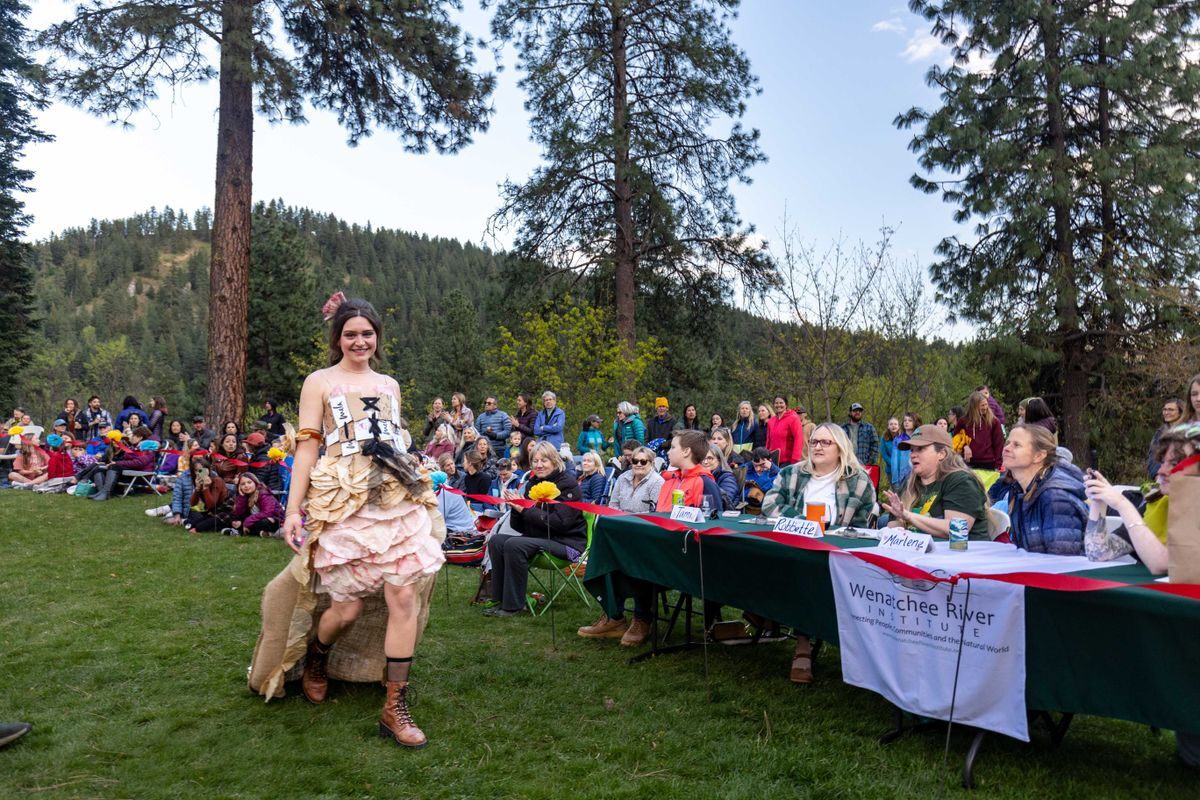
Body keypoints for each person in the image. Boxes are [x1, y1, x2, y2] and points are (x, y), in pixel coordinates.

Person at [257, 295, 444, 749]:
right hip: (343, 499)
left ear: (377, 337)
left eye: (366, 333)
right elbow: (306, 448)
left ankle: (394, 705)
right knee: (348, 608)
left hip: (395, 495)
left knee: (404, 598)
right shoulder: (318, 382)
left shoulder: (390, 384)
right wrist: (292, 509)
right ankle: (318, 656)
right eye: (350, 334)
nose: (359, 341)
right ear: (337, 338)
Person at [763, 422, 875, 683]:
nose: (817, 446)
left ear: (840, 448)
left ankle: (801, 642)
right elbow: (770, 503)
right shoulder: (792, 473)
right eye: (814, 441)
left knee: (809, 570)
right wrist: (801, 520)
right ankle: (767, 614)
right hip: (791, 547)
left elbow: (865, 525)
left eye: (826, 442)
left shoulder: (858, 480)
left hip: (835, 552)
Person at [485, 441, 586, 617]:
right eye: (535, 461)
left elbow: (560, 523)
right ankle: (500, 599)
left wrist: (525, 510)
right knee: (497, 540)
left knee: (514, 544)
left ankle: (514, 606)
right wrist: (516, 509)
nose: (539, 465)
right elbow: (519, 526)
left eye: (544, 460)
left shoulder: (568, 485)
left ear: (554, 461)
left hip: (569, 547)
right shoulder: (532, 484)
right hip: (540, 539)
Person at [577, 445, 664, 643]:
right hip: (620, 534)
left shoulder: (657, 482)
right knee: (606, 562)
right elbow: (613, 506)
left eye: (644, 461)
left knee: (640, 566)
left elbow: (655, 514)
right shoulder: (622, 479)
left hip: (644, 537)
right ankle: (613, 616)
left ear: (651, 464)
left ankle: (642, 619)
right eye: (635, 461)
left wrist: (628, 519)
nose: (639, 465)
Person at [987, 424, 1087, 555]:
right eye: (1008, 443)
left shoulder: (1055, 497)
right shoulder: (1018, 491)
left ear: (1039, 456)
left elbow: (1062, 561)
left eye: (1016, 445)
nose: (1006, 448)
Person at [881, 424, 989, 540]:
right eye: (912, 450)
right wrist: (897, 529)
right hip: (921, 555)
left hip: (964, 555)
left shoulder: (961, 481)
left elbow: (956, 531)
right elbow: (894, 526)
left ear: (941, 454)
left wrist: (908, 516)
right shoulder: (909, 483)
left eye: (920, 449)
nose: (912, 455)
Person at [655, 430, 723, 515]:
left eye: (673, 447)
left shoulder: (705, 482)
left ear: (686, 451)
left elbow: (715, 520)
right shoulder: (670, 480)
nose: (668, 452)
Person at [90, 425, 157, 501]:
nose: (131, 437)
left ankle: (106, 493)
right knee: (99, 469)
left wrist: (117, 463)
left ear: (140, 437)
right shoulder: (134, 447)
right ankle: (101, 492)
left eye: (134, 436)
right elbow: (127, 460)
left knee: (114, 467)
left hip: (141, 476)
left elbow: (139, 463)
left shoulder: (147, 448)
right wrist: (114, 463)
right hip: (132, 472)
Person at [957, 390, 1005, 474]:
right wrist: (965, 446)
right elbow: (956, 439)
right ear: (974, 407)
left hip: (988, 463)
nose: (985, 407)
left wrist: (998, 464)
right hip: (967, 463)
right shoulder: (963, 421)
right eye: (982, 405)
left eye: (986, 404)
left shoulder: (993, 421)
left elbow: (998, 444)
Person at [184, 456, 233, 531]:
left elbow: (212, 504)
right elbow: (192, 503)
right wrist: (197, 489)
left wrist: (205, 488)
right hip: (213, 512)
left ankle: (225, 527)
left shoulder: (217, 480)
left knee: (199, 527)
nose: (200, 472)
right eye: (196, 470)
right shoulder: (198, 480)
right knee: (190, 524)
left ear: (208, 469)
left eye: (202, 470)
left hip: (225, 511)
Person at [230, 472, 284, 537]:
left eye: (249, 482)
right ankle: (262, 533)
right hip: (256, 518)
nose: (246, 486)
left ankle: (239, 531)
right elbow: (239, 513)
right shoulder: (245, 496)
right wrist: (242, 497)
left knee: (264, 522)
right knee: (235, 520)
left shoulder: (264, 494)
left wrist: (247, 521)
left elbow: (267, 512)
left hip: (274, 520)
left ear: (255, 482)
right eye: (243, 484)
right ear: (239, 487)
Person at [1149, 398, 1185, 479]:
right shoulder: (1160, 433)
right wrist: (1157, 475)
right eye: (1164, 409)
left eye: (1171, 410)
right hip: (1163, 478)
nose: (1166, 412)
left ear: (1180, 412)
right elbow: (1153, 458)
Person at [766, 395, 805, 467]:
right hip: (773, 460)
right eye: (776, 403)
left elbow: (798, 439)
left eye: (781, 403)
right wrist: (766, 455)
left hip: (788, 461)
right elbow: (769, 441)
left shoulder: (793, 418)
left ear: (786, 404)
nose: (778, 405)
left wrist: (795, 459)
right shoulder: (771, 421)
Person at [841, 403, 879, 473]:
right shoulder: (842, 428)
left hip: (863, 465)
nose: (857, 412)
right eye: (855, 411)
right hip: (846, 464)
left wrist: (870, 462)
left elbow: (875, 445)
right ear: (850, 413)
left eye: (859, 411)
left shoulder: (869, 428)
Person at [701, 444, 739, 510]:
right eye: (702, 458)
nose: (705, 462)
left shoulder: (727, 478)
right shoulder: (699, 476)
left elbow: (725, 501)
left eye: (710, 458)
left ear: (719, 460)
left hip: (723, 515)